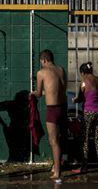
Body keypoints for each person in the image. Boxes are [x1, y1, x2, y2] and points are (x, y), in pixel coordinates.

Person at [31, 49, 67, 181]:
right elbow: (62, 88)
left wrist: (32, 93)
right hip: (63, 107)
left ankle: (57, 171)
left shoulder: (41, 72)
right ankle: (55, 166)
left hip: (52, 109)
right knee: (60, 138)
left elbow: (39, 93)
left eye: (41, 62)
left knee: (53, 141)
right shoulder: (61, 70)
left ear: (44, 60)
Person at [72, 62, 98, 175]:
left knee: (85, 139)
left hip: (89, 112)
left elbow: (81, 97)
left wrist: (76, 100)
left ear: (83, 72)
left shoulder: (84, 82)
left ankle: (84, 167)